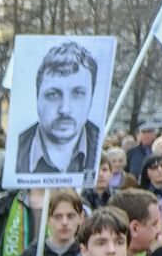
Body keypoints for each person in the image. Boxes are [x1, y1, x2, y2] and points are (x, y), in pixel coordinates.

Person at [16, 40, 102, 176]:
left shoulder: (101, 152)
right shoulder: (15, 151)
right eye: (53, 94)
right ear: (37, 97)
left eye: (78, 93)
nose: (65, 109)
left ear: (91, 97)